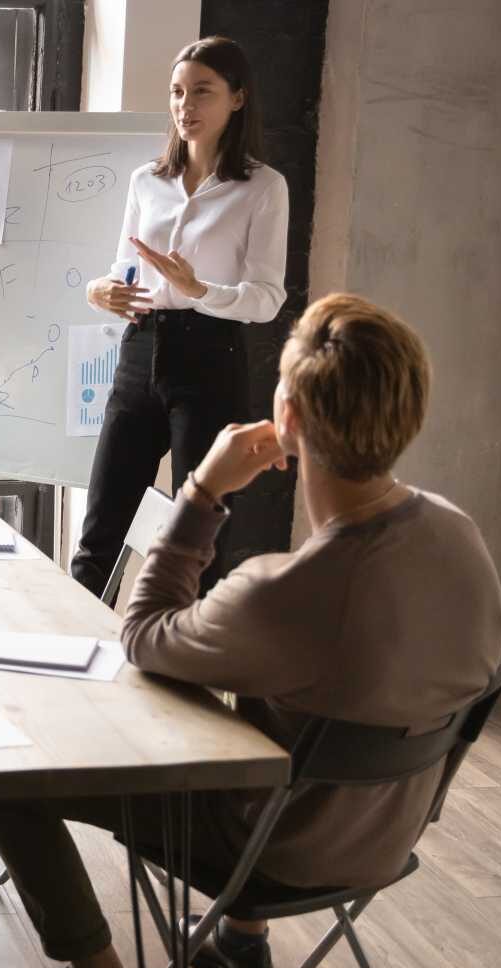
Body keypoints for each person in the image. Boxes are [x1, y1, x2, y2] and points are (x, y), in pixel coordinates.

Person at [0, 294, 501, 968]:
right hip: (386, 837)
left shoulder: (286, 593)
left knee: (4, 771)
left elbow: (143, 633)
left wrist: (200, 492)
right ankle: (239, 940)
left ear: (286, 418)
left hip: (274, 851)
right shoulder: (459, 535)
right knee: (288, 702)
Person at [72, 36, 290, 598]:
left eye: (202, 92)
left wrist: (200, 290)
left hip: (211, 358)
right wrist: (101, 290)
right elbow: (126, 270)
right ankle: (75, 664)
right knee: (99, 534)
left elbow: (266, 299)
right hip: (139, 350)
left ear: (237, 99)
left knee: (200, 544)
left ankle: (186, 675)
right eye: (176, 92)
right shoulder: (148, 180)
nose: (184, 106)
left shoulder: (263, 188)